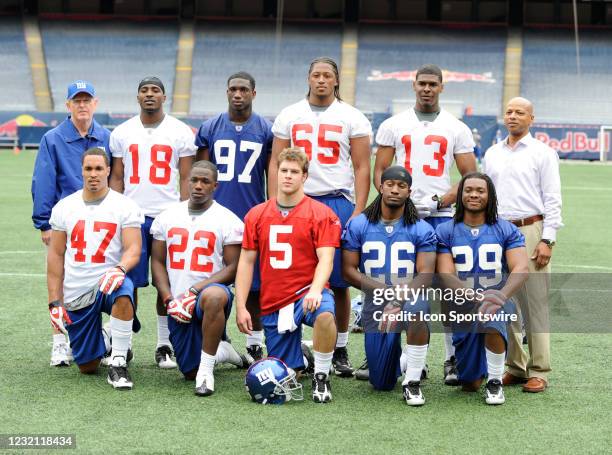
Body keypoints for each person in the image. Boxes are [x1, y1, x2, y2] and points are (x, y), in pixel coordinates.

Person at [373, 64, 477, 384]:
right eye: (422, 83)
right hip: (405, 218)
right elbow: (380, 172)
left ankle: (451, 358)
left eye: (433, 84)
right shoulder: (394, 124)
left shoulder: (456, 127)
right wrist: (396, 202)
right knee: (399, 287)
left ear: (441, 87)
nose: (427, 89)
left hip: (441, 216)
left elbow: (470, 179)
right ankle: (407, 358)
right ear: (413, 85)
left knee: (447, 290)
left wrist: (440, 201)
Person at [269, 57, 372, 377]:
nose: (322, 80)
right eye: (316, 75)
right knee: (291, 276)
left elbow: (361, 166)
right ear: (308, 78)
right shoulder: (290, 113)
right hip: (296, 202)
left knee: (339, 281)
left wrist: (358, 209)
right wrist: (276, 202)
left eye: (328, 75)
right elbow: (276, 162)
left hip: (336, 202)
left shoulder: (352, 116)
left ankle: (339, 347)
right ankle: (292, 346)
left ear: (337, 80)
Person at [236, 148, 341, 403]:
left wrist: (316, 289)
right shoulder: (257, 214)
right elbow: (246, 262)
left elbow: (326, 258)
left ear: (304, 176)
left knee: (325, 314)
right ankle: (304, 354)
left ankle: (322, 376)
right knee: (284, 375)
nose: (288, 176)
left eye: (294, 172)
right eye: (284, 171)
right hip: (275, 301)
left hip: (307, 293)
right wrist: (240, 306)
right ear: (276, 173)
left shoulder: (320, 213)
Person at [109, 76, 196, 369]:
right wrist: (117, 211)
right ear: (137, 97)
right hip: (132, 216)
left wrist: (184, 212)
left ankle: (164, 344)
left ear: (164, 97)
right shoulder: (122, 132)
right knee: (128, 281)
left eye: (155, 91)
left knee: (166, 282)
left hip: (167, 215)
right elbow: (117, 177)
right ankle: (125, 344)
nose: (149, 95)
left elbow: (186, 177)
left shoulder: (180, 132)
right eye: (144, 90)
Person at [482, 97, 562, 393]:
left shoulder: (543, 153)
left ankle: (539, 369)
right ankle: (516, 366)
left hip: (531, 228)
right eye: (509, 111)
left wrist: (547, 238)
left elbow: (553, 198)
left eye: (520, 112)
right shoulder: (492, 153)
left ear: (532, 118)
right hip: (499, 230)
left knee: (535, 302)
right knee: (506, 299)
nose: (513, 116)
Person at [47, 148, 143, 389]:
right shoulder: (64, 207)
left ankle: (119, 361)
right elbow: (56, 256)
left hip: (108, 282)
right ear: (81, 171)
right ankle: (108, 336)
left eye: (99, 168)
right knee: (87, 366)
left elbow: (134, 249)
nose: (93, 174)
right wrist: (54, 302)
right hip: (77, 290)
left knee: (123, 288)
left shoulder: (124, 205)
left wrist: (119, 269)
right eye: (88, 169)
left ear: (108, 170)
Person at [150, 161, 248, 396]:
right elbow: (157, 262)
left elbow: (234, 266)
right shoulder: (167, 216)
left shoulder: (228, 219)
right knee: (188, 371)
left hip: (208, 298)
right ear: (186, 181)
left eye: (205, 181)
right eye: (194, 180)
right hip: (178, 304)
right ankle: (224, 351)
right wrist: (169, 299)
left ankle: (207, 372)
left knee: (214, 295)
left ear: (215, 185)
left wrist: (195, 291)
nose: (198, 186)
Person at [32, 80, 111, 367]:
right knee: (60, 279)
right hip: (66, 224)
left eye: (86, 100)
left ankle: (102, 336)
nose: (82, 105)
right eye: (76, 100)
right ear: (67, 105)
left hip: (101, 222)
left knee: (103, 278)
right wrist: (44, 223)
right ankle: (59, 342)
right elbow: (43, 181)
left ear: (95, 103)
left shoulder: (105, 136)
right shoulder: (52, 139)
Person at [195, 71, 273, 363]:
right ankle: (219, 336)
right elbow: (201, 173)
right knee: (214, 277)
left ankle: (254, 343)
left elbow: (271, 172)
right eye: (232, 89)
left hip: (251, 213)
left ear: (254, 93)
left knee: (255, 284)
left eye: (243, 89)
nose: (237, 94)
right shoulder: (210, 127)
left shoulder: (266, 129)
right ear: (226, 92)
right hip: (216, 215)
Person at [342, 166, 436, 406]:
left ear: (409, 191)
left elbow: (426, 273)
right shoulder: (359, 224)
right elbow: (348, 270)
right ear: (381, 187)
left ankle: (412, 381)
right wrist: (384, 291)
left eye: (401, 186)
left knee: (417, 311)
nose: (395, 190)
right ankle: (405, 359)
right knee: (381, 382)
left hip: (410, 296)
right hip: (376, 302)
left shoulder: (421, 228)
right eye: (390, 184)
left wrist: (400, 297)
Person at [436, 172, 529, 404]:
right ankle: (479, 367)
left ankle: (495, 381)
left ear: (490, 196)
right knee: (470, 383)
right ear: (460, 195)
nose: (474, 195)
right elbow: (446, 274)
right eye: (468, 190)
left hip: (496, 298)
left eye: (480, 190)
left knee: (493, 312)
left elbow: (521, 268)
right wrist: (471, 294)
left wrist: (501, 295)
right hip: (462, 302)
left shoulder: (505, 229)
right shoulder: (446, 230)